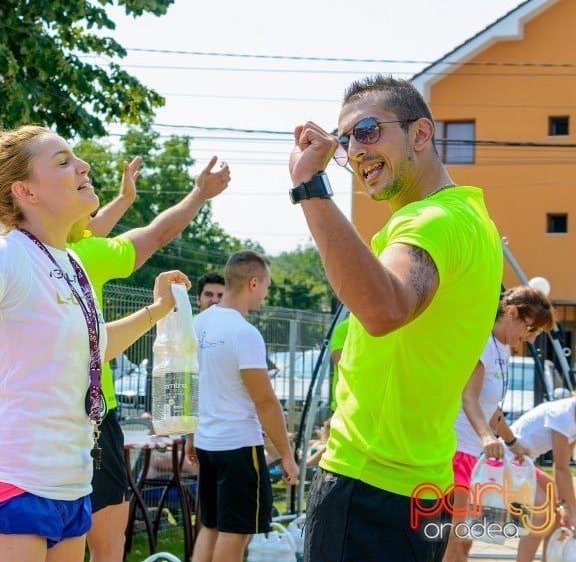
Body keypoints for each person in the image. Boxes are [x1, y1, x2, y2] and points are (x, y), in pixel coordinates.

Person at [0, 125, 190, 562]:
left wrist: (156, 311)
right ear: (26, 191)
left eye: (76, 158)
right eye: (63, 162)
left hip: (70, 489)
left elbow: (93, 346)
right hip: (10, 487)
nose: (83, 167)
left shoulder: (72, 262)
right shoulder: (5, 255)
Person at [289, 75, 504, 562]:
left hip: (370, 486)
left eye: (367, 131)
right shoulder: (472, 219)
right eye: (345, 142)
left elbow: (384, 310)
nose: (354, 151)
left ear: (421, 134)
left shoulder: (433, 221)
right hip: (418, 484)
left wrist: (309, 187)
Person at [68, 154, 231, 562]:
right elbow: (156, 235)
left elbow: (94, 229)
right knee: (107, 550)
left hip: (45, 419)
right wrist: (199, 194)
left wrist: (124, 200)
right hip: (89, 418)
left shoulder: (32, 254)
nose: (83, 166)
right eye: (67, 167)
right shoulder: (80, 257)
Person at [188, 250, 299, 562]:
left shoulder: (199, 324)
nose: (266, 293)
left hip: (208, 445)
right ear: (253, 283)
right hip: (238, 447)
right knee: (236, 533)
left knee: (210, 527)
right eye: (266, 285)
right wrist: (287, 457)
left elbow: (193, 387)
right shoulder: (244, 333)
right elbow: (265, 401)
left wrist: (191, 439)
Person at [442, 285, 554, 562]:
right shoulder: (484, 343)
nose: (529, 338)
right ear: (512, 312)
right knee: (452, 543)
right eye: (530, 329)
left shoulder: (502, 349)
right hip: (457, 453)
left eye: (536, 333)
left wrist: (512, 443)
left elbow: (492, 410)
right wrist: (486, 437)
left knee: (464, 542)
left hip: (475, 456)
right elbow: (469, 397)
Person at [510, 394, 576, 561]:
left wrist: (565, 507)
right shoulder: (563, 413)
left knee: (557, 507)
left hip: (525, 463)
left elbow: (561, 466)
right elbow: (561, 469)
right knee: (543, 511)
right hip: (509, 460)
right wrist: (574, 514)